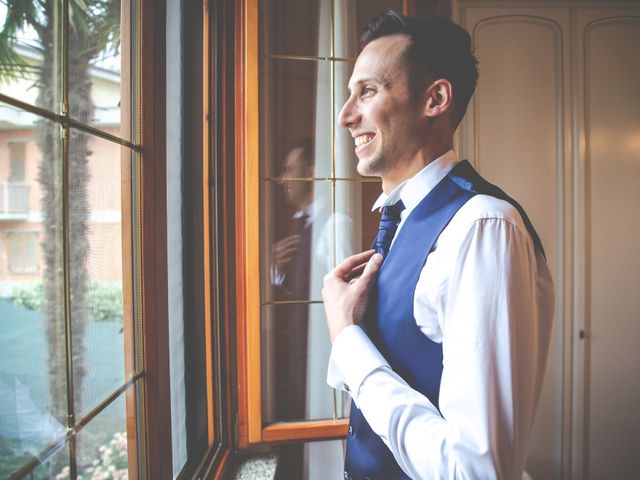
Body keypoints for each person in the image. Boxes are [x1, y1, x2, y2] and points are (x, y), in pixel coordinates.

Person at [322, 12, 554, 480]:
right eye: (350, 95)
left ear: (435, 99)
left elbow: (477, 471)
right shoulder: (402, 220)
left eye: (367, 91)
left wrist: (347, 339)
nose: (346, 116)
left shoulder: (482, 227)